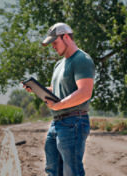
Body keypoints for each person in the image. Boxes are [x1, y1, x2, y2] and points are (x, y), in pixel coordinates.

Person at [23, 22, 95, 176]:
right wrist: (36, 89)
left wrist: (59, 105)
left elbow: (85, 92)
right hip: (56, 123)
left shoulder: (82, 59)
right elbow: (55, 90)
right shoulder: (58, 65)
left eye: (55, 42)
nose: (53, 47)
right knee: (53, 170)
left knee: (72, 172)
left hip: (74, 122)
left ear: (66, 37)